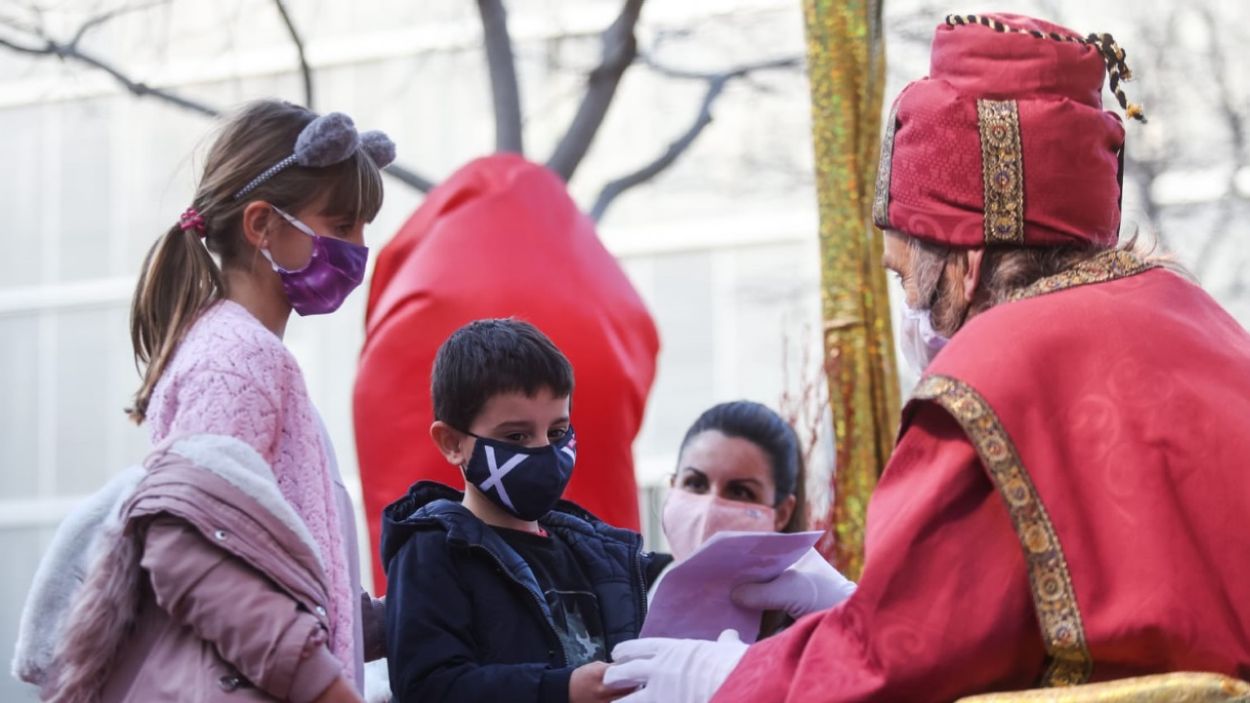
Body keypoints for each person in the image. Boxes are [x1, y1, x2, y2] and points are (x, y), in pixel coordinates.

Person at [602, 13, 1250, 702]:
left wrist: (728, 677)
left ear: (967, 262)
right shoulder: (1198, 320)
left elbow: (904, 659)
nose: (908, 300)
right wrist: (856, 602)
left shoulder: (996, 371)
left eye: (902, 274)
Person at [90, 99, 390, 701]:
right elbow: (183, 555)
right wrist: (323, 688)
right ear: (261, 225)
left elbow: (276, 576)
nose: (360, 247)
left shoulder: (241, 353)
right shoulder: (237, 362)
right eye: (340, 225)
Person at [354, 154, 659, 591]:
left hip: (439, 572)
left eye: (556, 432)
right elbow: (640, 345)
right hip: (589, 565)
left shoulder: (418, 289)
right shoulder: (590, 276)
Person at [381, 319, 660, 703]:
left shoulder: (596, 553)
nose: (544, 450)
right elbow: (429, 686)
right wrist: (561, 690)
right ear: (451, 443)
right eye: (516, 436)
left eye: (558, 432)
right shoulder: (432, 551)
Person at [658, 401, 853, 639]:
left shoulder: (809, 628)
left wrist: (853, 623)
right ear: (672, 486)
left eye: (740, 491)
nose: (709, 508)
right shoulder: (624, 597)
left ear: (782, 513)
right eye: (696, 483)